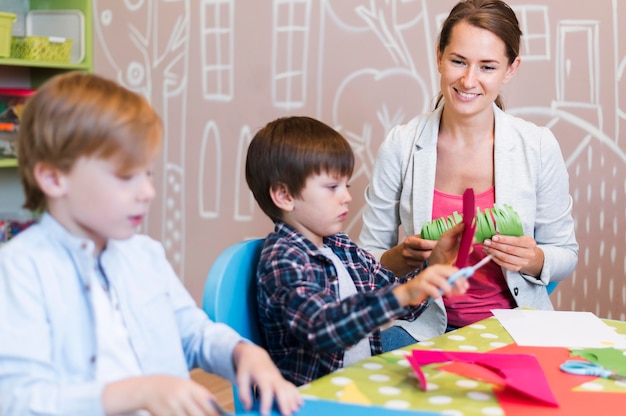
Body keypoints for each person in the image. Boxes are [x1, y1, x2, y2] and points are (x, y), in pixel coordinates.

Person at [0, 72, 301, 416]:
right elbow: (17, 401)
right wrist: (138, 392)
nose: (147, 192)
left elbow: (194, 334)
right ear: (53, 178)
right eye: (126, 176)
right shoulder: (21, 269)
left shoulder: (144, 255)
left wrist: (243, 353)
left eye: (148, 174)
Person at [358, 0, 578, 341]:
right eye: (458, 61)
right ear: (439, 57)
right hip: (417, 326)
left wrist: (531, 258)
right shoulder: (400, 145)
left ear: (511, 69)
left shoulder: (537, 145)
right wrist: (402, 258)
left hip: (512, 328)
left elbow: (565, 254)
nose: (469, 80)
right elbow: (367, 261)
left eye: (487, 67)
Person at [244, 115, 469, 386]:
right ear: (285, 196)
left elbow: (392, 297)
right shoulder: (283, 259)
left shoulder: (340, 246)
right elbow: (322, 329)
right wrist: (402, 295)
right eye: (332, 188)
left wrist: (434, 267)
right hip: (314, 401)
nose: (347, 196)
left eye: (346, 186)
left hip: (358, 386)